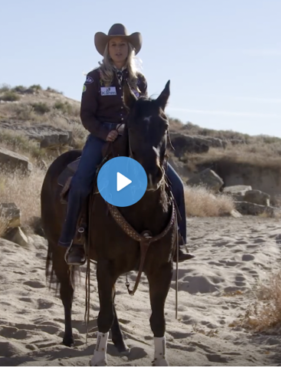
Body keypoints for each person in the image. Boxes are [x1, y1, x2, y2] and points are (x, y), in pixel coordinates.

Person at [58, 23, 194, 265]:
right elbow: (86, 115)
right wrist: (105, 132)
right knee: (80, 183)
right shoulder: (94, 78)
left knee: (178, 185)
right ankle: (75, 241)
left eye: (122, 44)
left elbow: (143, 113)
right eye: (113, 45)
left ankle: (177, 242)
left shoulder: (139, 80)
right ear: (107, 49)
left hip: (135, 140)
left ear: (130, 49)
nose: (118, 49)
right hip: (102, 138)